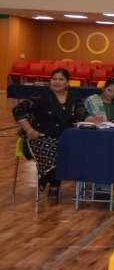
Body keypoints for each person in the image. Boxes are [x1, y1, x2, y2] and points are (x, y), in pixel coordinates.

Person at [13, 67, 93, 200]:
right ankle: (54, 186)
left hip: (65, 138)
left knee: (75, 151)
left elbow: (83, 114)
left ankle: (45, 175)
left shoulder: (73, 97)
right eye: (54, 79)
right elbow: (18, 110)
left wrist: (92, 119)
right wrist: (29, 130)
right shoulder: (41, 95)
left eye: (61, 79)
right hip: (39, 137)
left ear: (67, 82)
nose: (57, 82)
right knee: (55, 152)